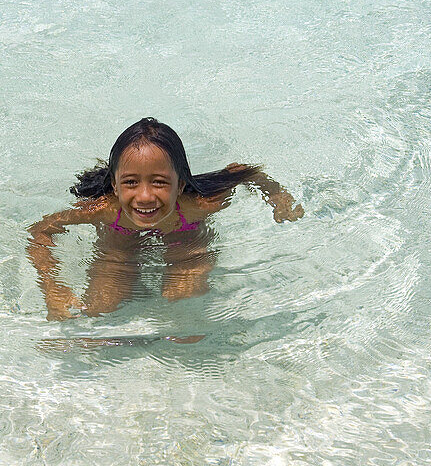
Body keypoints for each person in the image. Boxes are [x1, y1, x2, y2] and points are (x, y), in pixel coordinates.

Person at [27, 116, 304, 320]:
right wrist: (53, 288)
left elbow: (243, 173)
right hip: (119, 236)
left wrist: (277, 197)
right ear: (114, 185)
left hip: (183, 232)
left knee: (183, 302)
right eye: (131, 182)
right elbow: (39, 232)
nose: (145, 196)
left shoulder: (199, 205)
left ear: (181, 185)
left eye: (159, 182)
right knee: (100, 309)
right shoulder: (105, 209)